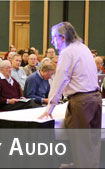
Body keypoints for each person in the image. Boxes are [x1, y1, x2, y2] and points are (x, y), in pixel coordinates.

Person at [39, 22, 101, 168]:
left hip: (81, 102)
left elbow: (60, 80)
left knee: (80, 143)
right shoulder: (83, 48)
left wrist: (49, 108)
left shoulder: (67, 52)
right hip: (95, 98)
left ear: (63, 37)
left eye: (54, 37)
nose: (52, 41)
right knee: (92, 142)